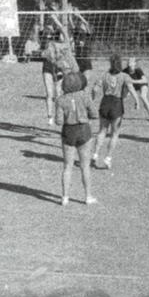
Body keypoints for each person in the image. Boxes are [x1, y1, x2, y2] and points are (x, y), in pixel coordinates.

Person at [53, 72, 98, 206]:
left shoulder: (60, 100)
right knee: (85, 166)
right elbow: (94, 114)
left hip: (68, 131)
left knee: (67, 166)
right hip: (84, 130)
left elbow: (59, 121)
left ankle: (65, 197)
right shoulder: (84, 96)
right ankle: (88, 196)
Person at [91, 53, 139, 169]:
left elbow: (95, 89)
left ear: (110, 63)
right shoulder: (124, 76)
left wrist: (93, 98)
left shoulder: (104, 75)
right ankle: (108, 158)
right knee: (114, 133)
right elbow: (131, 89)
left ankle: (95, 154)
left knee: (102, 131)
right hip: (116, 105)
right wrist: (137, 101)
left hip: (105, 103)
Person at [41, 25, 78, 126]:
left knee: (58, 93)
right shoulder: (49, 42)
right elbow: (43, 53)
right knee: (49, 94)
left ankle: (58, 115)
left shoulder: (64, 45)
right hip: (47, 68)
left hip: (59, 69)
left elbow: (66, 35)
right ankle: (49, 116)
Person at [124, 57, 149, 121]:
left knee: (143, 96)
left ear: (134, 63)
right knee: (122, 95)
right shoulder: (125, 71)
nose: (129, 62)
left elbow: (145, 80)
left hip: (142, 84)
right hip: (132, 85)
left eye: (132, 61)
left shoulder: (138, 70)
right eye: (129, 61)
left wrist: (133, 81)